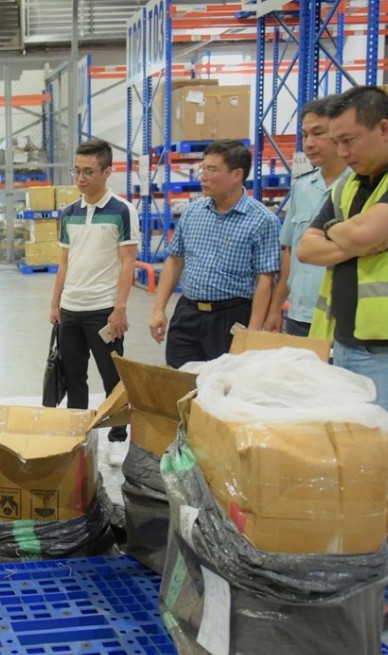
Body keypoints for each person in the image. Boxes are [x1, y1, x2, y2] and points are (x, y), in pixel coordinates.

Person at [149, 140, 281, 367]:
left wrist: (253, 331)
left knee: (226, 386)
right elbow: (174, 261)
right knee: (179, 382)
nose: (203, 176)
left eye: (212, 170)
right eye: (203, 169)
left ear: (237, 174)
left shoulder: (262, 220)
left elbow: (265, 280)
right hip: (188, 313)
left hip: (231, 318)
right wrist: (159, 309)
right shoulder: (192, 212)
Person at [299, 86, 388, 410]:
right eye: (337, 143)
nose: (343, 152)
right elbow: (306, 250)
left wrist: (333, 232)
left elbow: (365, 232)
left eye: (349, 140)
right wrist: (350, 238)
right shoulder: (347, 187)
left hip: (383, 351)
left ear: (383, 128)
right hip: (343, 342)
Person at [49, 138, 139, 443]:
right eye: (77, 171)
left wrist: (120, 308)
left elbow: (128, 264)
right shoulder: (69, 212)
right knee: (74, 379)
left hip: (103, 312)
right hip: (71, 311)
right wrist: (55, 304)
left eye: (88, 171)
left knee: (114, 380)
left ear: (107, 172)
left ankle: (117, 437)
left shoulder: (123, 210)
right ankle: (78, 434)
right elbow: (64, 262)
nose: (81, 178)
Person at [264, 96, 351, 337]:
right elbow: (290, 252)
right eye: (304, 135)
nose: (308, 143)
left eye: (318, 133)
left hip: (342, 318)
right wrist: (275, 308)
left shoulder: (361, 186)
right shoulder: (302, 187)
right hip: (300, 316)